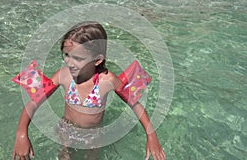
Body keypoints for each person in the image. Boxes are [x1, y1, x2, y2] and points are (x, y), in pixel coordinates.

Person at [12, 21, 166, 160]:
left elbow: (135, 105)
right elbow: (33, 103)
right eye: (66, 55)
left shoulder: (107, 81)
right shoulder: (64, 76)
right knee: (64, 156)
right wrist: (21, 133)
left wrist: (151, 135)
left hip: (93, 135)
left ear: (97, 60)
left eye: (78, 58)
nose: (70, 63)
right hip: (67, 130)